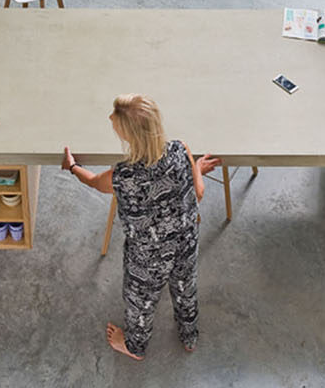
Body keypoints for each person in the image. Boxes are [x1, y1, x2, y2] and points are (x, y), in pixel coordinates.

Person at [62, 93, 219, 361]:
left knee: (141, 301)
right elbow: (199, 194)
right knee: (185, 289)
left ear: (128, 135)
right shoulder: (181, 151)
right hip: (185, 244)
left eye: (115, 118)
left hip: (148, 257)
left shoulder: (123, 176)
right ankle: (189, 336)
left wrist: (73, 166)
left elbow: (94, 182)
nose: (111, 117)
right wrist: (196, 169)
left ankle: (134, 346)